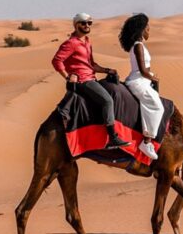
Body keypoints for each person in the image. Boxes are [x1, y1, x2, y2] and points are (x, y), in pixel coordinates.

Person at [51, 13, 130, 149]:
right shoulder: (71, 43)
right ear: (76, 25)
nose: (87, 26)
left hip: (91, 77)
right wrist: (67, 77)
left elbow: (91, 64)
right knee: (108, 101)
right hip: (83, 81)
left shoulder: (87, 41)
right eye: (83, 23)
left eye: (89, 23)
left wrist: (107, 70)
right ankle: (113, 137)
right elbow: (56, 60)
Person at [118, 13, 164, 160]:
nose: (149, 31)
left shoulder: (139, 46)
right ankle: (147, 141)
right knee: (157, 107)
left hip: (142, 80)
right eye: (148, 29)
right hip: (138, 81)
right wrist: (153, 77)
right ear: (142, 29)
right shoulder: (138, 46)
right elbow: (143, 71)